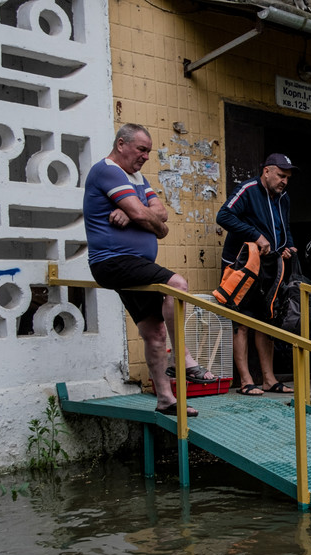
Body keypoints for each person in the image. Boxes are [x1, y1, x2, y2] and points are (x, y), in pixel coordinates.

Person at [84, 123, 218, 416]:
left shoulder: (137, 178)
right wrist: (140, 214)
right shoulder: (107, 170)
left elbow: (162, 216)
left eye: (148, 151)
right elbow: (144, 214)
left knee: (154, 332)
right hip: (113, 261)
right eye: (141, 149)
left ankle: (165, 400)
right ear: (121, 144)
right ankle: (183, 359)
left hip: (136, 264)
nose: (145, 156)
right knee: (177, 285)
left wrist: (138, 214)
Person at [215, 153, 299, 396]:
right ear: (267, 171)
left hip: (271, 267)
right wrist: (255, 235)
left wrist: (288, 247)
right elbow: (224, 215)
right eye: (281, 175)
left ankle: (269, 379)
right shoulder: (248, 189)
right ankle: (245, 380)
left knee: (267, 320)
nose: (284, 181)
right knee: (241, 322)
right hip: (242, 266)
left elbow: (285, 228)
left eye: (287, 177)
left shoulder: (284, 198)